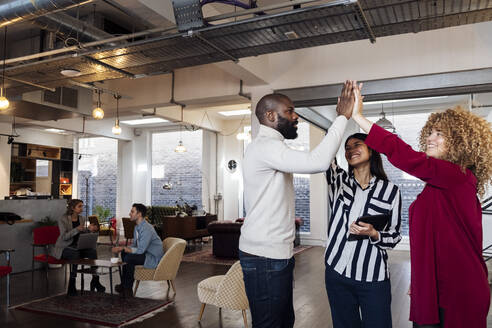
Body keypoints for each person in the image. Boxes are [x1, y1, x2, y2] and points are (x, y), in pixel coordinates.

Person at [351, 86, 492, 327]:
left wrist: (357, 117)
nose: (430, 138)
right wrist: (420, 281)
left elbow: (404, 154)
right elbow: (434, 241)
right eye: (430, 132)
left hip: (460, 289)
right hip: (436, 287)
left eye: (440, 134)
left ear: (460, 143)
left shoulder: (458, 176)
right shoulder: (438, 184)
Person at [239, 80, 357, 328]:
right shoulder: (265, 147)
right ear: (271, 115)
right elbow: (319, 161)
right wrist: (341, 118)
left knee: (284, 322)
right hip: (264, 257)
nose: (297, 118)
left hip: (273, 255)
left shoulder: (272, 148)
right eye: (290, 111)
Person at [324, 133, 402, 328]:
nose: (351, 150)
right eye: (347, 148)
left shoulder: (390, 191)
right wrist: (343, 117)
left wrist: (374, 234)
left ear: (372, 149)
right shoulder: (338, 182)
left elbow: (394, 235)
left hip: (373, 278)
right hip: (337, 273)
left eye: (357, 145)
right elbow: (326, 155)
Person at [53, 199, 104, 296]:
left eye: (82, 206)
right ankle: (72, 284)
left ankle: (95, 280)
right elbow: (64, 237)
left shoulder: (82, 218)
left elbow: (81, 233)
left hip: (78, 246)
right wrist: (76, 229)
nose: (82, 208)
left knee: (92, 252)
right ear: (72, 208)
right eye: (79, 206)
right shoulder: (63, 219)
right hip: (65, 247)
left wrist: (89, 230)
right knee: (75, 254)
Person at [112, 203, 164, 297]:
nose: (129, 214)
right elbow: (135, 245)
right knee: (125, 254)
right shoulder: (137, 227)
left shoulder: (147, 228)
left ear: (139, 214)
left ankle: (128, 288)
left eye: (132, 211)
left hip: (152, 257)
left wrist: (123, 247)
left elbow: (140, 250)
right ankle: (124, 284)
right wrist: (124, 249)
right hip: (145, 253)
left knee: (129, 258)